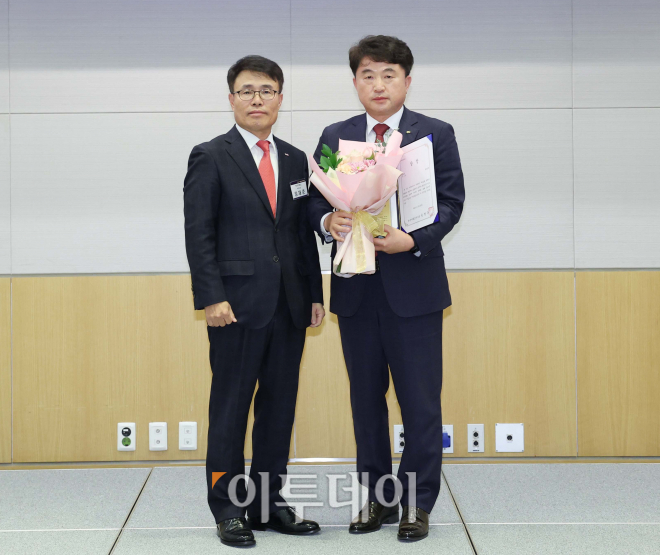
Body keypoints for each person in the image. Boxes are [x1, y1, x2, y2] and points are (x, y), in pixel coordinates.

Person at [308, 35, 465, 542]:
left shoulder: (434, 133)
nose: (379, 85)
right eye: (368, 75)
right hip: (356, 291)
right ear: (355, 82)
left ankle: (416, 503)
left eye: (389, 75)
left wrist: (412, 240)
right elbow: (313, 200)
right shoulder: (335, 135)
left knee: (420, 403)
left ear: (407, 81)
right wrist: (327, 220)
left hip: (414, 289)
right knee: (365, 401)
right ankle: (376, 497)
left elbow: (451, 203)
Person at [184, 55, 326, 547]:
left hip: (289, 304)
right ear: (231, 99)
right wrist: (211, 297)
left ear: (280, 99)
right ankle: (227, 509)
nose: (257, 99)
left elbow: (301, 233)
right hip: (235, 307)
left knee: (278, 408)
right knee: (230, 409)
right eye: (247, 91)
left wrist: (314, 293)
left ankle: (268, 503)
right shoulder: (210, 155)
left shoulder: (295, 158)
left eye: (266, 90)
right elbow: (199, 233)